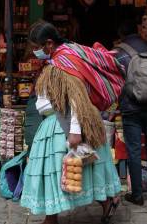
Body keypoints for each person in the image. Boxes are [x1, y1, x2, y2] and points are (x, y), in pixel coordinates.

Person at [20, 20, 123, 224]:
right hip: (61, 122)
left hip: (64, 123)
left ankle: (53, 217)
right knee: (83, 167)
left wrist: (75, 131)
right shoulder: (64, 56)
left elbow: (77, 98)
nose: (34, 52)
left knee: (59, 170)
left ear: (49, 44)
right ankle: (105, 202)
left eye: (36, 47)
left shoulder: (63, 62)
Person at [114, 19, 147, 205]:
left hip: (131, 109)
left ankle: (137, 194)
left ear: (121, 34)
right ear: (138, 29)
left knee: (134, 151)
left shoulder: (119, 53)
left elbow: (116, 82)